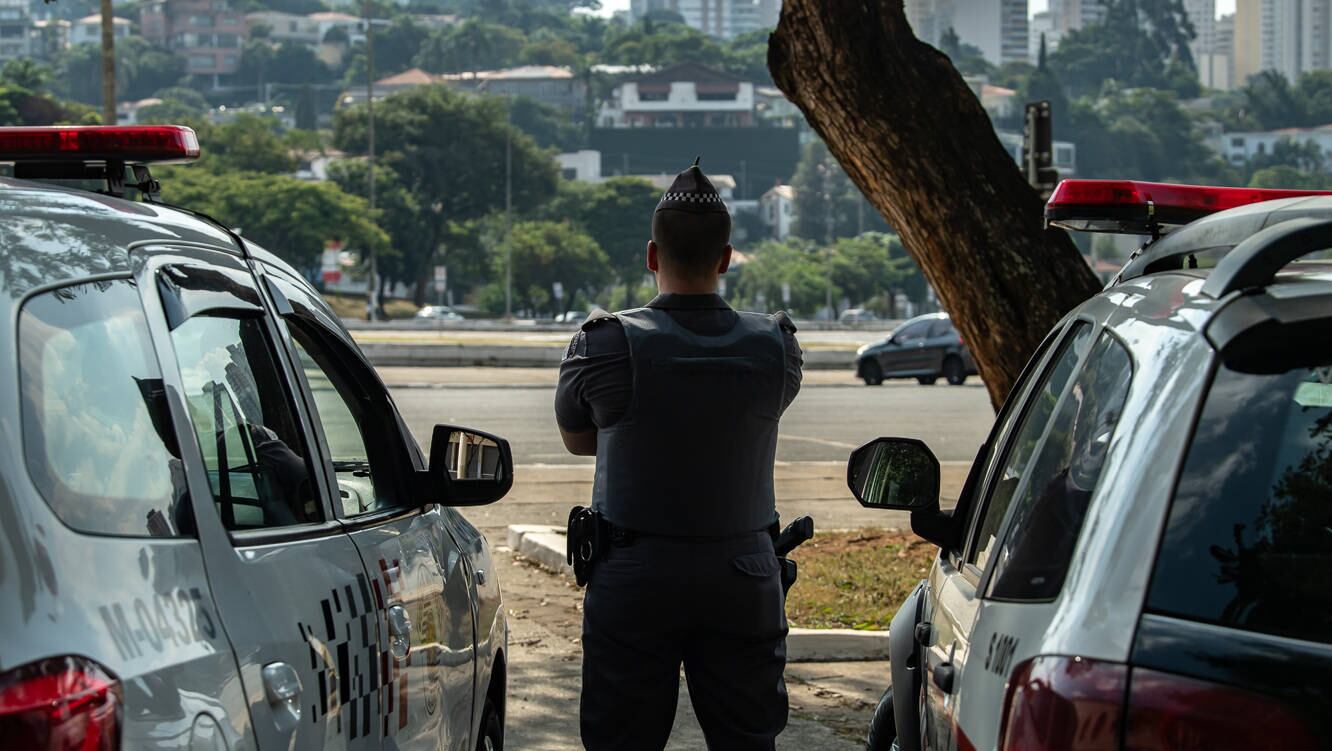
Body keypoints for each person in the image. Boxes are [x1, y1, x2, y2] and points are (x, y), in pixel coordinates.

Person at [554, 158, 804, 750]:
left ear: (650, 255)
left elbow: (578, 439)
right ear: (725, 259)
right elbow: (750, 421)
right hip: (744, 575)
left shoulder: (605, 343)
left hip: (635, 576)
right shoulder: (777, 346)